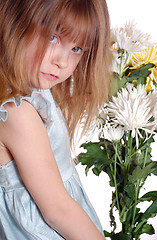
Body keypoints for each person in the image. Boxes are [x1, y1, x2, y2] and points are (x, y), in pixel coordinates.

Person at [0, 0, 111, 239]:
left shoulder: (32, 93)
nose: (62, 62)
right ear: (15, 22)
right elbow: (57, 210)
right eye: (53, 38)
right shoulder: (16, 112)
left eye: (77, 49)